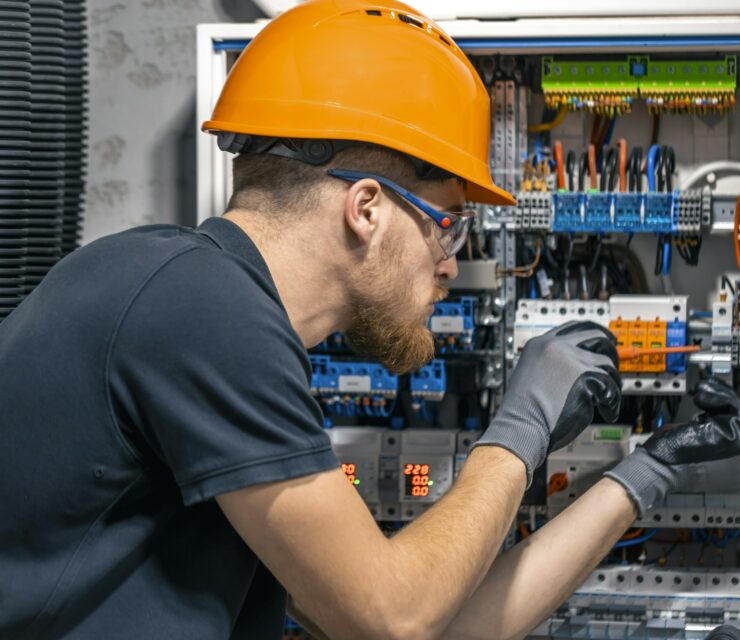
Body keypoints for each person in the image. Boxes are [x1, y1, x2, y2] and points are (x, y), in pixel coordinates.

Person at [1, 1, 739, 638]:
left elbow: (447, 622)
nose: (452, 263)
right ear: (366, 209)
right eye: (448, 225)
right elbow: (391, 619)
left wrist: (647, 474)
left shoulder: (205, 308)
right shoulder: (199, 307)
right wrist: (521, 427)